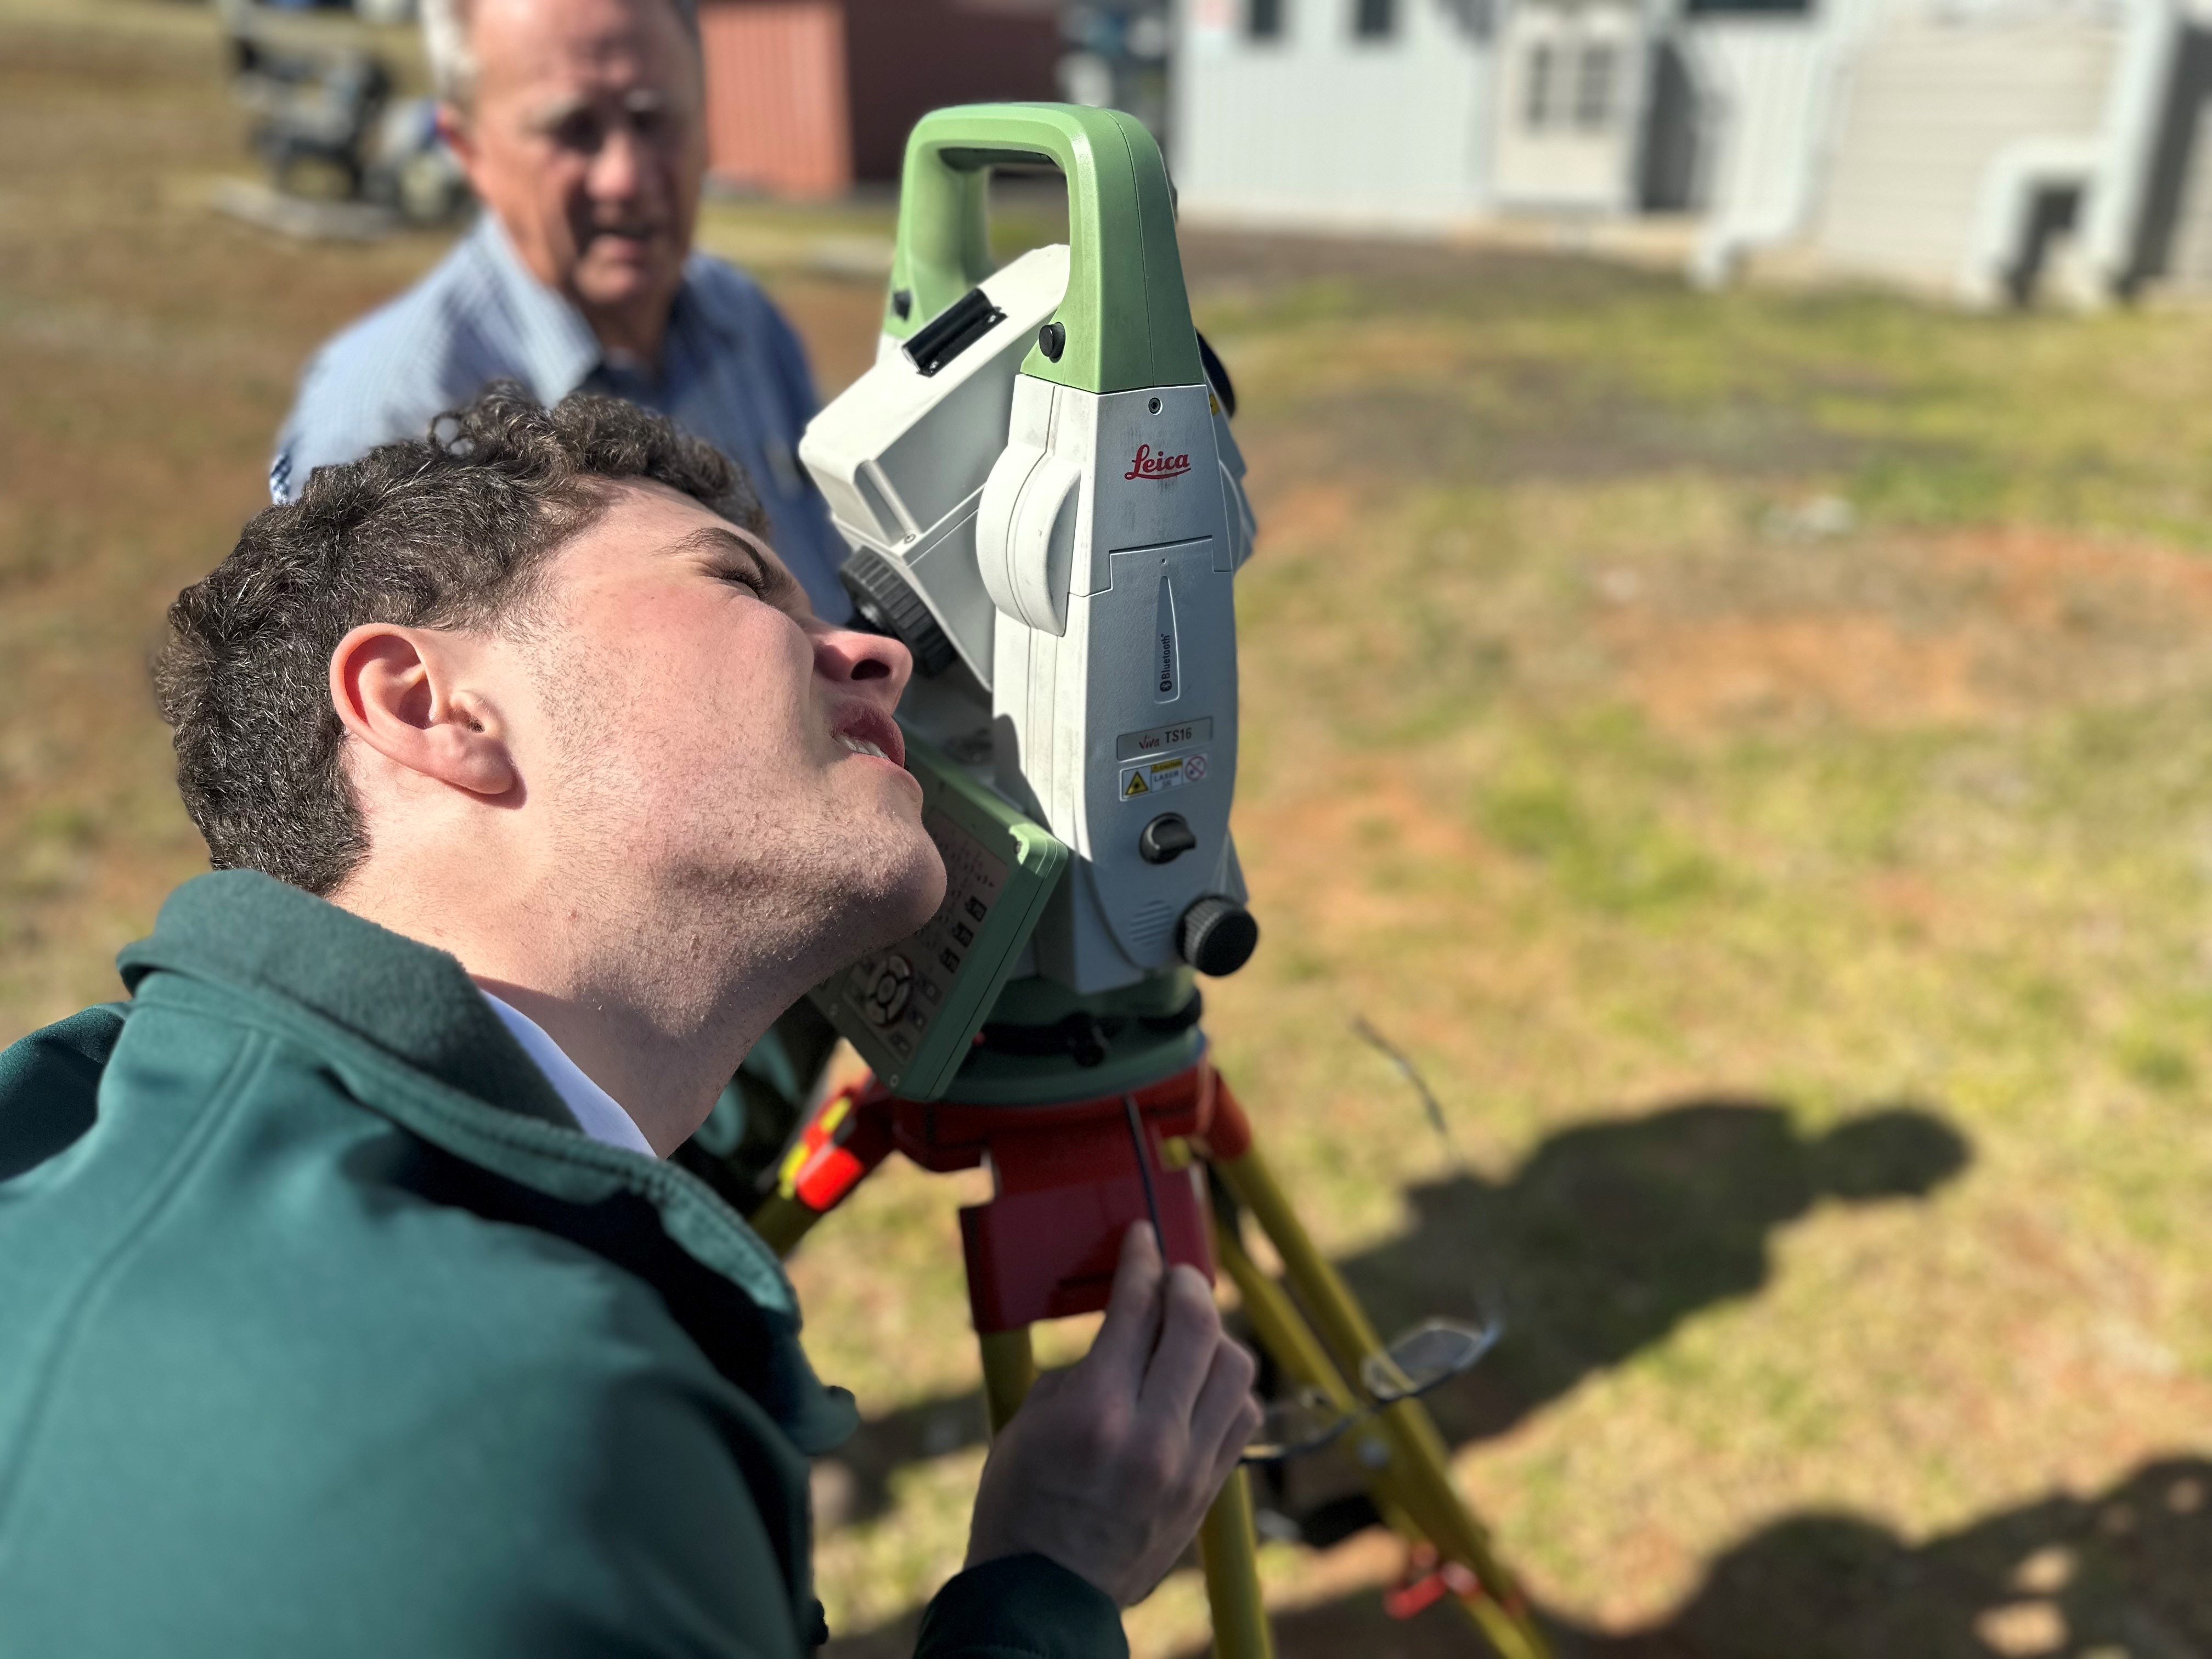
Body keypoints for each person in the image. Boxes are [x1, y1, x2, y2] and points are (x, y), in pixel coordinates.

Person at [0, 389, 1261, 1656]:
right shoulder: (539, 1422)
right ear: (431, 705)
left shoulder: (84, 1130)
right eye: (745, 586)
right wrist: (1044, 1595)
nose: (873, 653)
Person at [269, 0, 850, 627]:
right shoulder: (394, 413)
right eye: (573, 128)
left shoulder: (744, 323)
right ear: (470, 151)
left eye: (654, 119)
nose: (624, 177)